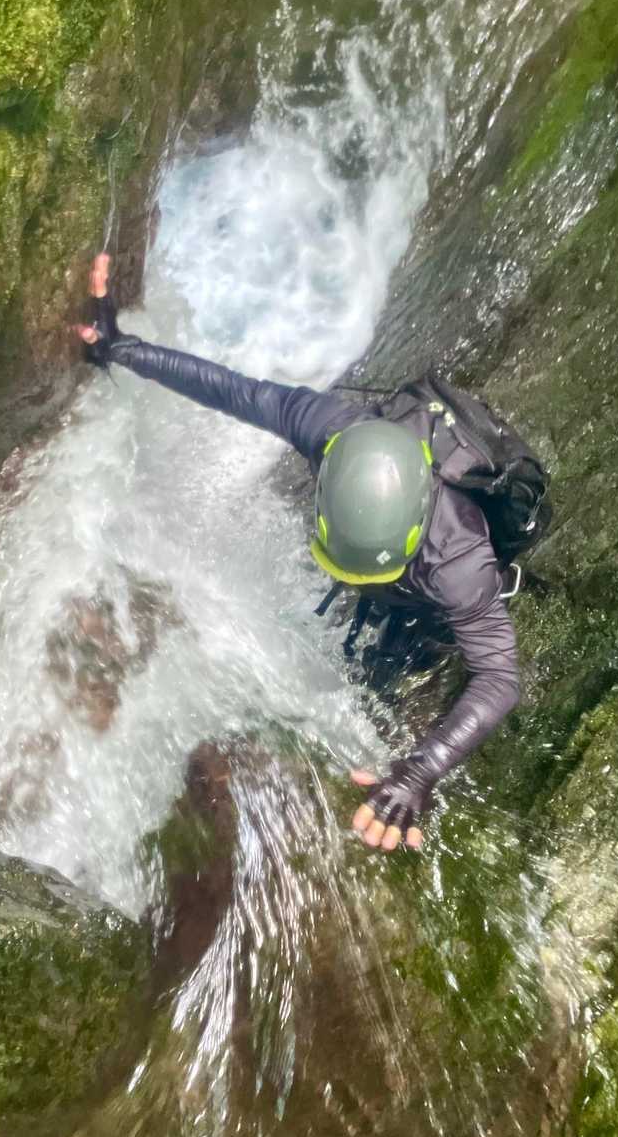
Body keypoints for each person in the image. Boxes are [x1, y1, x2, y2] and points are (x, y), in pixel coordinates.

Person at [77, 254, 519, 851]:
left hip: (431, 591)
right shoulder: (330, 429)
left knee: (399, 673)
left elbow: (499, 678)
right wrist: (120, 347)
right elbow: (232, 389)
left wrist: (420, 772)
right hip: (399, 535)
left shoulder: (460, 563)